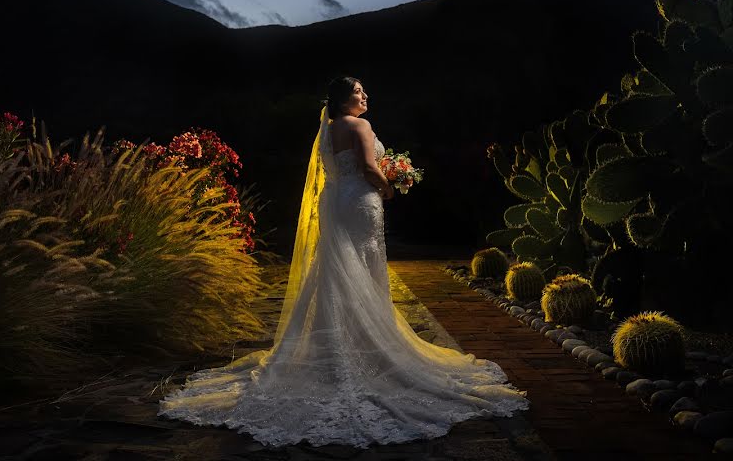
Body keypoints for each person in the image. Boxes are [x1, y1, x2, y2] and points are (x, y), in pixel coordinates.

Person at [158, 76, 529, 448]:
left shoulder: (327, 130)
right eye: (357, 92)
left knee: (334, 271)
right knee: (363, 269)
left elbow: (335, 171)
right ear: (340, 99)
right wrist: (389, 186)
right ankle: (366, 347)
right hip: (361, 200)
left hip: (335, 202)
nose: (365, 96)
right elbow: (369, 166)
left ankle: (333, 348)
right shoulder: (360, 125)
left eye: (365, 91)